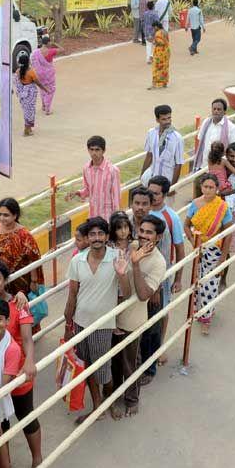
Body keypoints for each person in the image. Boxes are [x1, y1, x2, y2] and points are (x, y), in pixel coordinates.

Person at [63, 217, 120, 423]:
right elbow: (72, 296)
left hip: (103, 326)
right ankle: (98, 407)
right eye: (92, 234)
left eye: (100, 234)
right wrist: (68, 326)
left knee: (103, 370)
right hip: (80, 323)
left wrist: (122, 273)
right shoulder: (77, 261)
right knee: (86, 366)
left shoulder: (116, 258)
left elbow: (127, 291)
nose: (96, 238)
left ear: (106, 236)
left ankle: (109, 401)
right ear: (87, 238)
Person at [0, 298, 42, 468]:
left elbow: (4, 384)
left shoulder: (11, 349)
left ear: (7, 321)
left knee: (26, 418)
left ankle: (37, 458)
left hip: (8, 389)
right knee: (0, 431)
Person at [109, 216, 166, 419]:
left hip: (132, 321)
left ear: (158, 237)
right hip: (112, 317)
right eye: (141, 230)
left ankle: (132, 399)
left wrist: (136, 264)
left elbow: (143, 295)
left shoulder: (159, 262)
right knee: (113, 361)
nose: (143, 235)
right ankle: (113, 394)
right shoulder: (130, 245)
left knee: (129, 364)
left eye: (149, 232)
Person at [143, 175, 185, 376]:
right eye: (149, 191)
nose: (151, 196)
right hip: (143, 272)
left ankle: (159, 347)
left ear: (165, 194)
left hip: (164, 273)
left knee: (162, 311)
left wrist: (177, 278)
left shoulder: (171, 217)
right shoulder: (142, 210)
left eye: (156, 193)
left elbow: (179, 247)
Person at [185, 174, 234, 336]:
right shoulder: (195, 204)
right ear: (201, 187)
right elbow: (186, 226)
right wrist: (193, 242)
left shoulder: (222, 207)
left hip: (215, 250)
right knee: (197, 282)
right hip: (198, 250)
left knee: (210, 285)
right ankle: (198, 312)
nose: (208, 190)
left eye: (211, 187)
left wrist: (222, 258)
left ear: (217, 189)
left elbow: (228, 233)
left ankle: (206, 319)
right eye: (205, 187)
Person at [66, 135, 121, 221]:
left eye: (97, 150)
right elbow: (88, 190)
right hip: (92, 216)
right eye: (91, 150)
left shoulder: (113, 171)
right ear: (88, 150)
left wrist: (115, 220)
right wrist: (77, 193)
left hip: (107, 217)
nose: (94, 153)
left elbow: (116, 198)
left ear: (104, 150)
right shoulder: (86, 168)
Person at [141, 104, 184, 188]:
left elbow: (178, 164)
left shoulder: (177, 138)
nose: (167, 121)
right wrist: (142, 176)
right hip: (152, 179)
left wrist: (172, 186)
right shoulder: (151, 133)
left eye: (169, 118)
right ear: (157, 120)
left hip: (167, 181)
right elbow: (149, 156)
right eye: (164, 119)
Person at [193, 98, 235, 170]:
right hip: (203, 165)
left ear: (224, 112)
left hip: (219, 168)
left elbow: (234, 148)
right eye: (214, 109)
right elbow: (200, 140)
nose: (216, 111)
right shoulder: (206, 122)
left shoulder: (230, 127)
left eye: (219, 109)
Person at [14, 51, 44, 137]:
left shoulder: (17, 72)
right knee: (30, 111)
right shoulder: (31, 72)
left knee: (26, 111)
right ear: (28, 62)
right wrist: (45, 89)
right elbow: (38, 83)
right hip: (30, 94)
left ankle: (29, 129)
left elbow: (17, 84)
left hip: (22, 95)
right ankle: (26, 130)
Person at [30, 36, 59, 116]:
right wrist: (55, 44)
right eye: (50, 42)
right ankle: (47, 109)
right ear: (48, 43)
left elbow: (32, 61)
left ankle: (43, 105)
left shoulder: (36, 52)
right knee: (50, 90)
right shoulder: (51, 51)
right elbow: (63, 50)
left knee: (42, 88)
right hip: (49, 74)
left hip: (39, 74)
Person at [150, 21, 170, 89]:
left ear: (156, 26)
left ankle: (154, 84)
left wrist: (154, 42)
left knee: (156, 68)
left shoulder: (158, 33)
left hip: (160, 53)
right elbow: (167, 41)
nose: (153, 29)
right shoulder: (165, 31)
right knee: (164, 67)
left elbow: (160, 42)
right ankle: (164, 83)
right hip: (166, 52)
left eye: (154, 27)